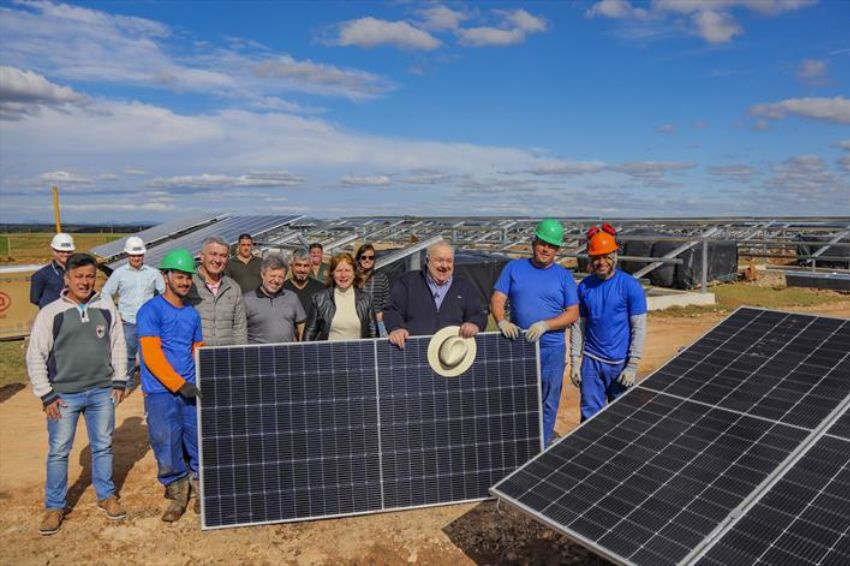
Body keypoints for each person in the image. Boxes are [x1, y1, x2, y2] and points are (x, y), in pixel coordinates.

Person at [26, 253, 128, 535]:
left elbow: (118, 344)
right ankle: (55, 506)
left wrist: (119, 380)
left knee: (103, 445)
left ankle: (106, 495)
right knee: (59, 451)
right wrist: (46, 394)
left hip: (101, 392)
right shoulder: (51, 312)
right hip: (64, 395)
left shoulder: (106, 306)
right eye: (79, 276)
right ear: (67, 278)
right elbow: (36, 355)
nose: (85, 282)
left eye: (90, 276)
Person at [491, 219, 579, 446]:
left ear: (557, 249)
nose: (546, 249)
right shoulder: (514, 268)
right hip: (520, 344)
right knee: (518, 396)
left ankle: (542, 442)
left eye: (551, 246)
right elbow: (498, 298)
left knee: (548, 399)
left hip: (551, 348)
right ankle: (518, 442)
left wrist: (546, 325)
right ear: (534, 242)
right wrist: (501, 321)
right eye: (542, 243)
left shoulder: (563, 276)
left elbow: (572, 313)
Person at [136, 248, 204, 522]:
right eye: (179, 276)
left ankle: (200, 487)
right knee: (166, 442)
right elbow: (151, 355)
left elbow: (198, 348)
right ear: (166, 276)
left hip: (190, 388)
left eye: (188, 277)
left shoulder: (192, 314)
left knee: (197, 439)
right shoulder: (150, 311)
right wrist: (178, 384)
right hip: (161, 393)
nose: (184, 282)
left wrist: (200, 378)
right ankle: (177, 492)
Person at [570, 228, 647, 421]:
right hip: (591, 363)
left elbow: (639, 328)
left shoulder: (630, 286)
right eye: (596, 257)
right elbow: (578, 325)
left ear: (615, 255)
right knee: (589, 416)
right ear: (590, 259)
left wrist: (633, 365)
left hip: (619, 364)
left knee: (622, 418)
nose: (601, 262)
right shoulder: (585, 287)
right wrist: (574, 362)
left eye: (606, 256)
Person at [384, 240, 487, 349]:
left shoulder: (464, 287)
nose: (445, 265)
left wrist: (475, 324)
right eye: (440, 260)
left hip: (452, 354)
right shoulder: (409, 282)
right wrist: (396, 328)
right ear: (427, 261)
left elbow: (479, 314)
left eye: (449, 261)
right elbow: (392, 309)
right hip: (415, 351)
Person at [101, 236, 165, 389]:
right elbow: (105, 293)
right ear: (127, 255)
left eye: (139, 255)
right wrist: (115, 312)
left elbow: (163, 293)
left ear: (143, 255)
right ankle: (128, 384)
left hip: (148, 323)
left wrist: (157, 312)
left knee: (148, 355)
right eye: (133, 255)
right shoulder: (119, 273)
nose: (136, 258)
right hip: (128, 322)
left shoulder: (153, 273)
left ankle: (148, 384)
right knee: (128, 355)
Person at [186, 237, 247, 346]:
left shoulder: (233, 288)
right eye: (213, 254)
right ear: (201, 256)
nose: (218, 260)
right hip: (194, 355)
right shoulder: (188, 284)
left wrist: (240, 355)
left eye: (223, 256)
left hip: (225, 356)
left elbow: (239, 328)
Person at [304, 253, 375, 341]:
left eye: (347, 270)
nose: (343, 275)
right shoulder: (319, 299)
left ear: (354, 273)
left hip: (358, 353)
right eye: (339, 270)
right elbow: (309, 334)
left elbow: (373, 333)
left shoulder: (366, 299)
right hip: (328, 353)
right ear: (332, 274)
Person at [244, 254, 306, 343]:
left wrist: (302, 348)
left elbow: (302, 327)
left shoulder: (292, 297)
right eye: (273, 276)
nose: (276, 280)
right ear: (263, 275)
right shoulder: (247, 300)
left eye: (281, 277)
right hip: (257, 355)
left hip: (287, 354)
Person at [30, 233, 75, 309]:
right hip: (50, 315)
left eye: (69, 251)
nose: (66, 254)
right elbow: (35, 299)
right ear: (54, 251)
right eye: (62, 251)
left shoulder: (76, 270)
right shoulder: (41, 274)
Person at [355, 243, 390, 337]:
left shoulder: (381, 277)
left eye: (371, 258)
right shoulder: (353, 278)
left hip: (378, 322)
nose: (367, 260)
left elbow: (386, 300)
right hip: (359, 321)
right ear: (358, 259)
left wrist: (381, 314)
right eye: (364, 257)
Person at [283, 248, 325, 313]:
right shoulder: (282, 289)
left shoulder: (320, 289)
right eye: (298, 265)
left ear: (311, 267)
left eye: (306, 266)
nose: (302, 270)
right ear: (291, 265)